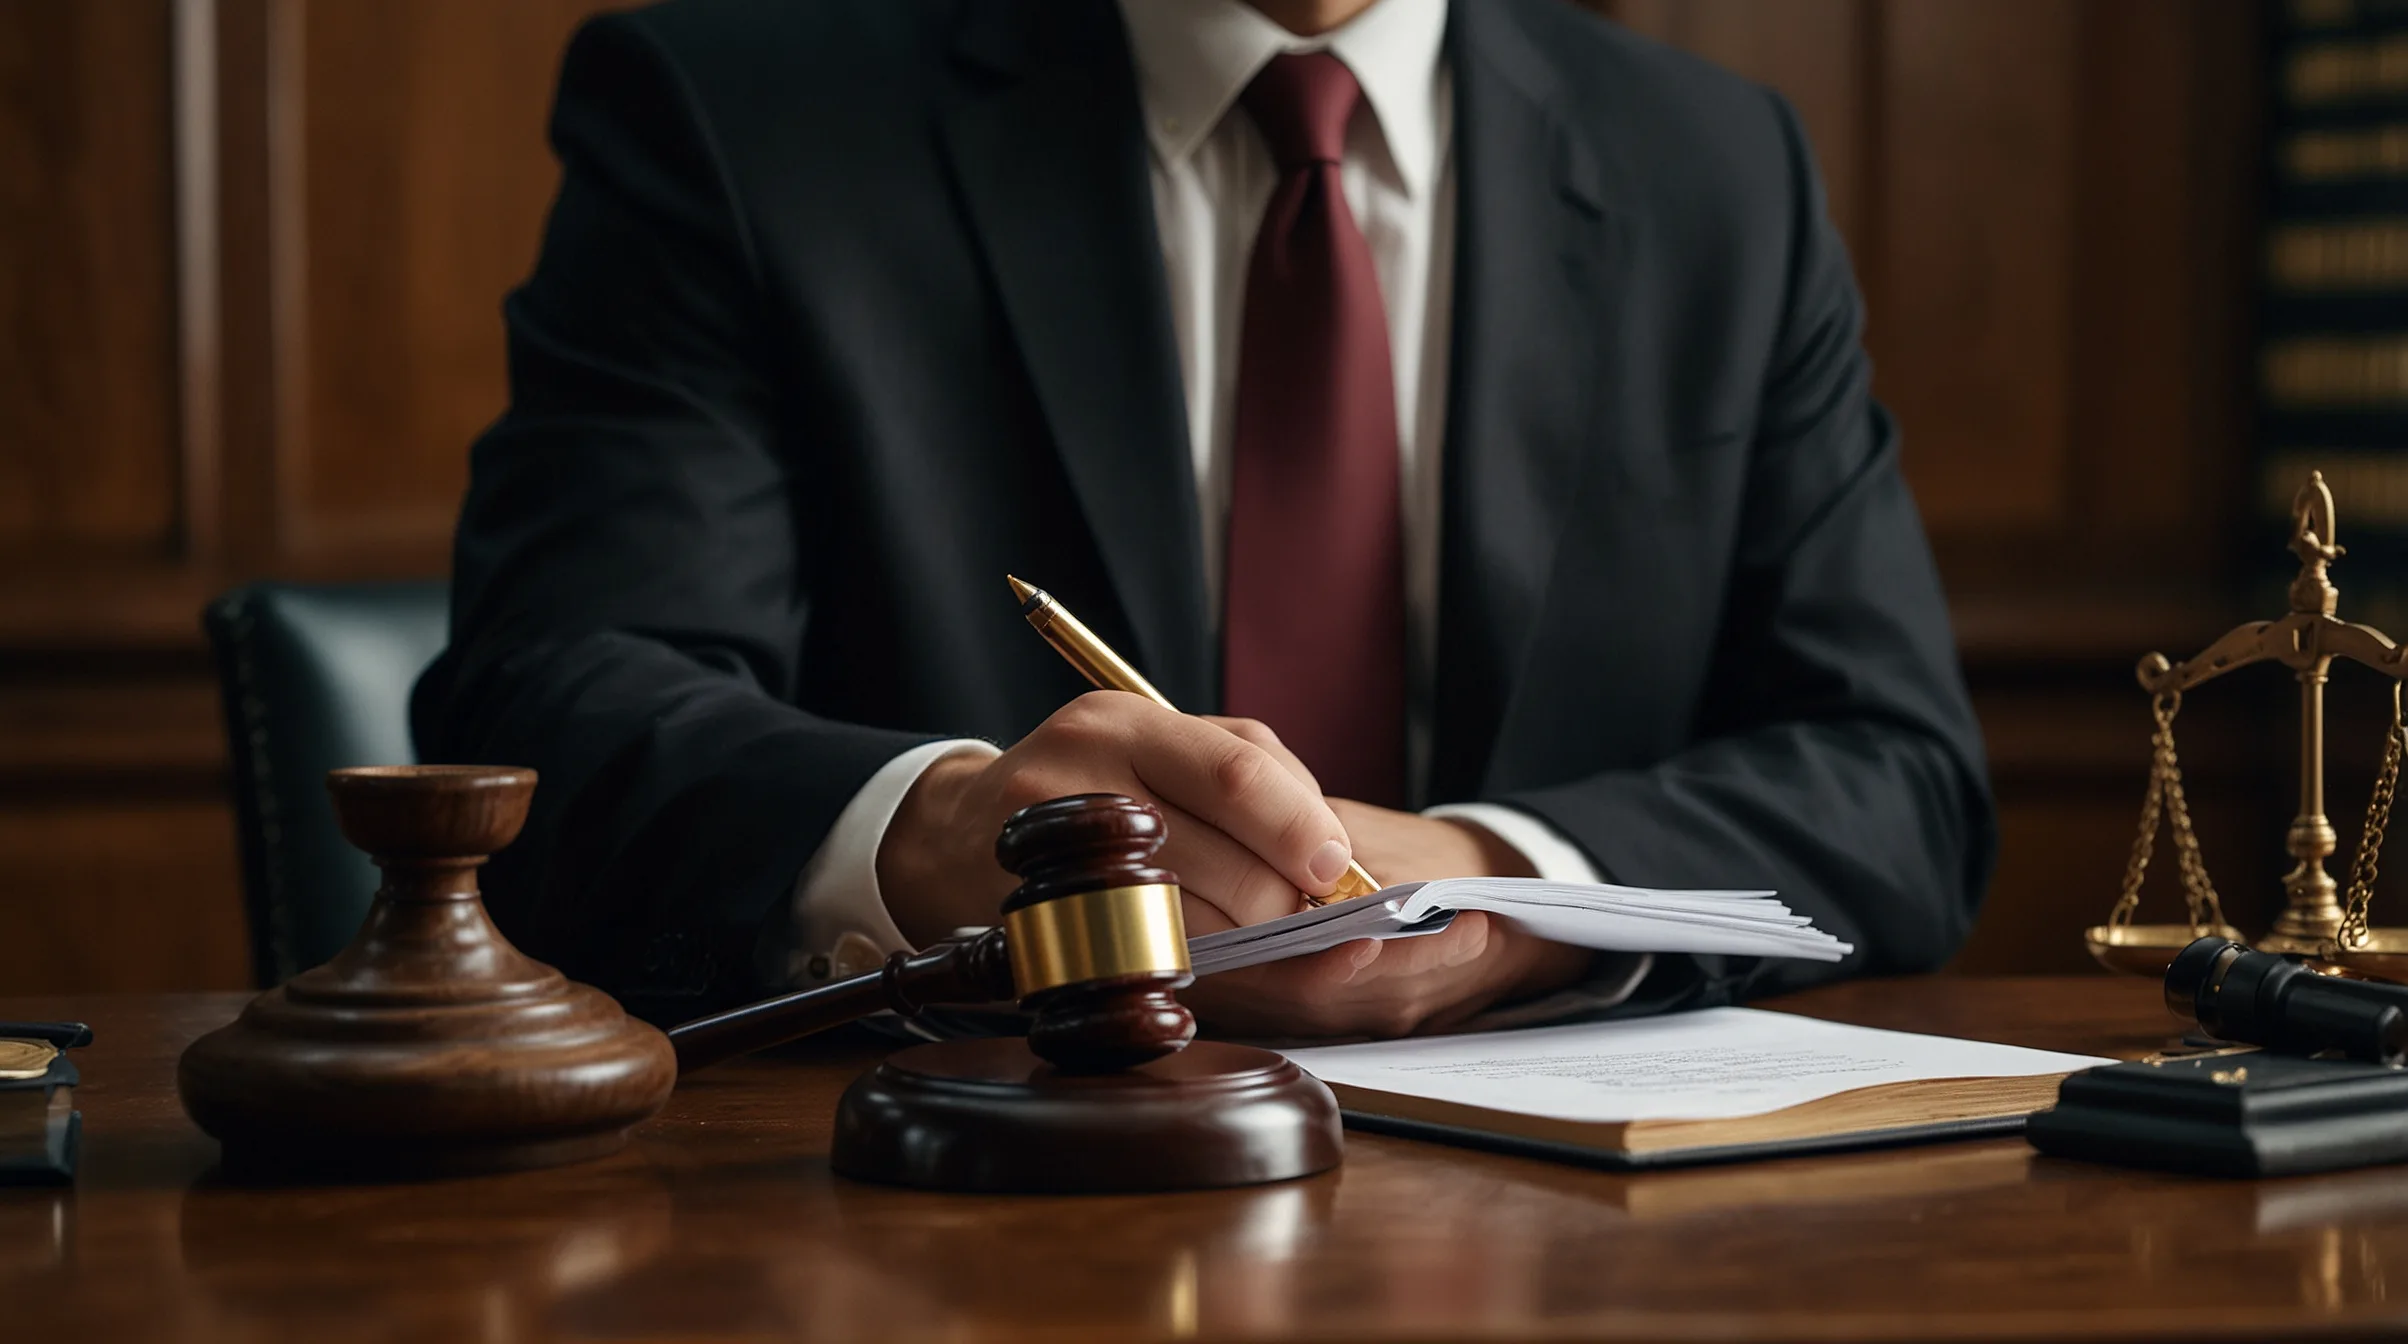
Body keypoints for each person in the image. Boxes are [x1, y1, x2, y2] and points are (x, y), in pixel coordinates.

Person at [412, 0, 1994, 1037]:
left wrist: (1493, 890)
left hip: (1580, 1245)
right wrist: (952, 833)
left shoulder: (1717, 171)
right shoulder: (737, 115)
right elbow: (554, 709)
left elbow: (1897, 778)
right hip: (947, 1209)